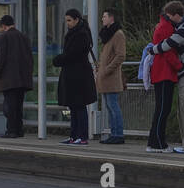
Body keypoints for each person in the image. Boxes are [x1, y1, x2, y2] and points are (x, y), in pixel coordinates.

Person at [151, 0, 184, 154]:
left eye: (169, 16)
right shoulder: (182, 27)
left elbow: (169, 44)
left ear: (176, 15)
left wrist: (152, 50)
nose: (167, 18)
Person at [52, 8, 96, 145]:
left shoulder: (81, 34)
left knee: (79, 106)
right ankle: (74, 135)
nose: (68, 23)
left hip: (79, 76)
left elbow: (73, 54)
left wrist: (58, 60)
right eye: (66, 21)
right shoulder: (76, 33)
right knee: (73, 106)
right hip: (74, 75)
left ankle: (81, 136)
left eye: (69, 20)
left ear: (77, 20)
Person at [146, 7, 183, 152]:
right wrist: (179, 66)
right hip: (165, 72)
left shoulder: (162, 25)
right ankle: (157, 143)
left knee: (161, 108)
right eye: (178, 16)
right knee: (163, 109)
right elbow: (167, 50)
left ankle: (154, 141)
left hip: (160, 72)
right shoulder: (167, 28)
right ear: (172, 15)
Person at [0, 14, 33, 138]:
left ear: (3, 26)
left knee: (10, 106)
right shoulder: (23, 37)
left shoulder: (4, 37)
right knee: (18, 105)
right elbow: (30, 58)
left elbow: (1, 58)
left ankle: (11, 131)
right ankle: (19, 130)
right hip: (22, 78)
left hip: (9, 79)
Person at [96, 10, 127, 144]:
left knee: (113, 105)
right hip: (105, 76)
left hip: (111, 76)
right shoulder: (108, 35)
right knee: (109, 106)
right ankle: (114, 133)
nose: (102, 19)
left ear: (111, 18)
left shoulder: (118, 34)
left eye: (104, 16)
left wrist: (107, 69)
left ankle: (118, 134)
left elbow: (120, 55)